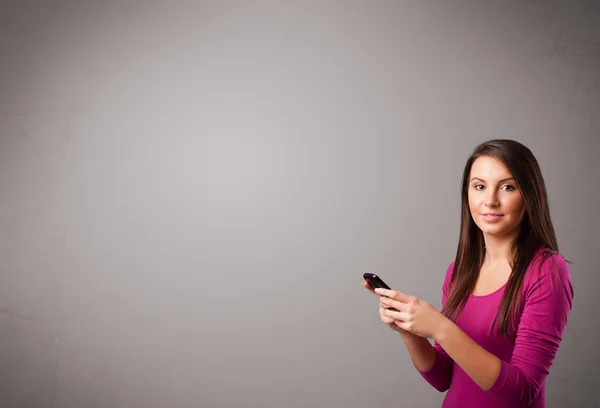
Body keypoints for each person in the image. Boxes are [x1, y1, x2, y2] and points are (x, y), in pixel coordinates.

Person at [363, 139, 574, 408]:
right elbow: (442, 377)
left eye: (507, 187)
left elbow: (520, 393)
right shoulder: (458, 271)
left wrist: (440, 327)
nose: (490, 200)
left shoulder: (548, 270)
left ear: (529, 196)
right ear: (468, 194)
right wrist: (409, 329)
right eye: (479, 186)